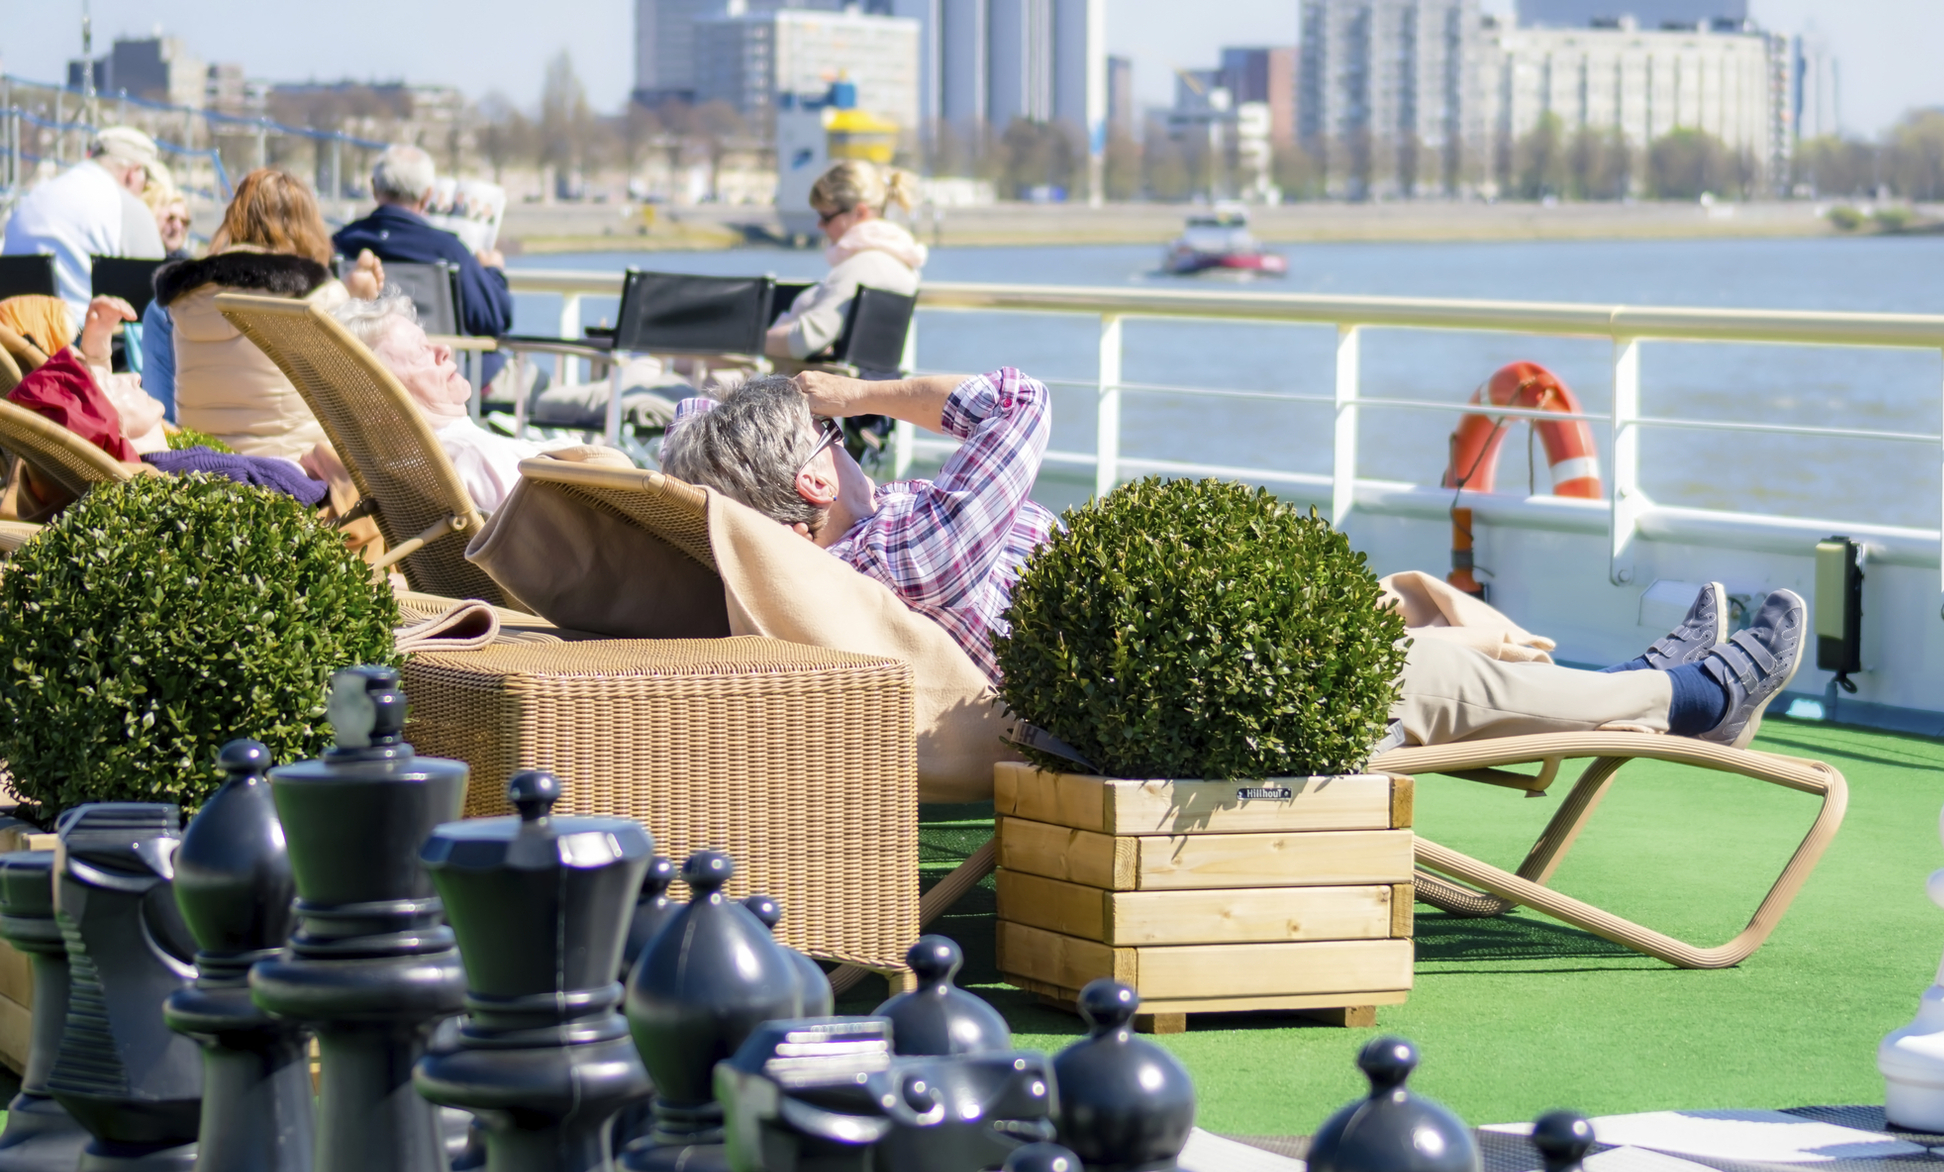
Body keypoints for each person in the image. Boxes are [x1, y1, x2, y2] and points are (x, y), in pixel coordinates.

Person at [661, 370, 1807, 750]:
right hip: (1154, 719)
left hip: (1130, 680)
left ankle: (1636, 686)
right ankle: (1694, 696)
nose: (855, 443)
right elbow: (1017, 401)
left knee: (1399, 614)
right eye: (835, 439)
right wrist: (864, 388)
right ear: (813, 481)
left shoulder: (825, 574)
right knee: (1435, 680)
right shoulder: (904, 547)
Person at [151, 168, 382, 464]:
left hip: (203, 475)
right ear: (308, 224)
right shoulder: (320, 295)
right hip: (292, 480)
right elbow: (358, 401)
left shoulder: (185, 297)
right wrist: (360, 304)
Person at [332, 293, 632, 512]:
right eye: (421, 351)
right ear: (377, 398)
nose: (445, 350)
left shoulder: (402, 462)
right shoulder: (468, 456)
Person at [333, 144, 513, 341]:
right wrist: (493, 271)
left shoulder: (340, 243)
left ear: (374, 188)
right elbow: (494, 319)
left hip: (361, 367)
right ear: (428, 196)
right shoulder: (449, 250)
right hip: (436, 364)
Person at [3, 126, 166, 326]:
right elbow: (156, 294)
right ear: (133, 173)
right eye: (147, 182)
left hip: (14, 340)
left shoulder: (34, 197)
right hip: (83, 344)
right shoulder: (124, 206)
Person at [764, 161, 925, 363]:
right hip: (879, 386)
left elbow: (806, 338)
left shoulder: (860, 267)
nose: (820, 225)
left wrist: (750, 341)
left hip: (837, 389)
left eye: (826, 216)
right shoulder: (902, 265)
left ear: (860, 213)